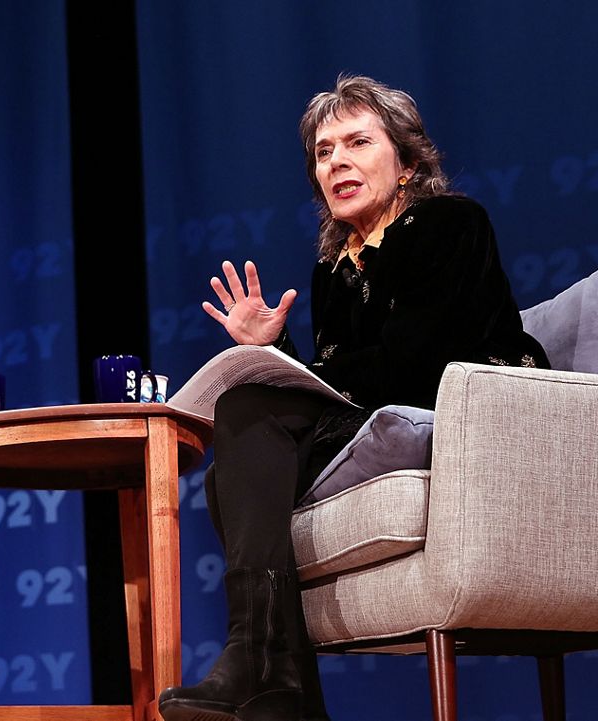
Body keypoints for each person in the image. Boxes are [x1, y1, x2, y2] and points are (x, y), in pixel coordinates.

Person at [158, 76, 549, 721]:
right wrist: (274, 349)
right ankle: (278, 686)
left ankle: (265, 673)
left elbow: (413, 360)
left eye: (357, 142)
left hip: (467, 408)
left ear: (408, 161)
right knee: (230, 469)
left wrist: (293, 374)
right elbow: (347, 379)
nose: (335, 160)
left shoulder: (449, 223)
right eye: (322, 150)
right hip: (384, 410)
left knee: (249, 411)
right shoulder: (336, 265)